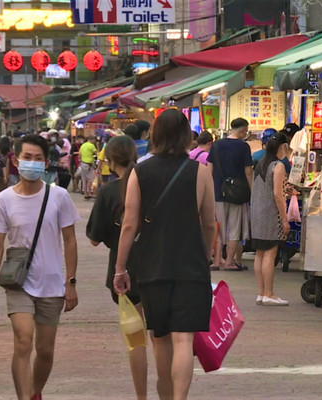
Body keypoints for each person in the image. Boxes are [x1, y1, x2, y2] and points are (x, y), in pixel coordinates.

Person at [114, 109, 216, 400]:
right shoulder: (201, 172)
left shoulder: (139, 172)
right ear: (186, 136)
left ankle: (165, 395)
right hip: (191, 265)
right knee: (184, 338)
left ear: (155, 134)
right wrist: (205, 253)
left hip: (152, 265)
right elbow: (209, 222)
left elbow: (130, 224)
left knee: (160, 338)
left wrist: (120, 269)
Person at [0, 134, 80, 400]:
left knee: (45, 350)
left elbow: (70, 241)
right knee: (23, 340)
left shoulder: (59, 197)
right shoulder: (3, 201)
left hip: (52, 284)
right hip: (19, 282)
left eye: (38, 159)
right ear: (16, 159)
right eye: (27, 158)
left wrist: (71, 283)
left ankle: (35, 392)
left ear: (46, 163)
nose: (32, 163)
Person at [86, 135, 148, 399]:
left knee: (136, 343)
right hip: (158, 265)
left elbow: (93, 238)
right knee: (162, 338)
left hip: (124, 272)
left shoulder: (108, 192)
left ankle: (141, 396)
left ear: (110, 162)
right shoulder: (150, 186)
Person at [207, 118, 253, 271]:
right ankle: (229, 262)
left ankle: (217, 261)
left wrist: (209, 190)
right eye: (246, 131)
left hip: (218, 193)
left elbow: (209, 169)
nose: (246, 134)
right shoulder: (243, 147)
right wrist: (252, 191)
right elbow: (248, 172)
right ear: (241, 131)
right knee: (234, 228)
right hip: (237, 194)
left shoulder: (216, 145)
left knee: (220, 227)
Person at [251, 132, 291, 306]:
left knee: (260, 253)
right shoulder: (278, 166)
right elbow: (277, 194)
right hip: (270, 213)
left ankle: (261, 293)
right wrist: (284, 218)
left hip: (257, 212)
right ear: (283, 147)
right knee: (270, 252)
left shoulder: (260, 164)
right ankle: (269, 293)